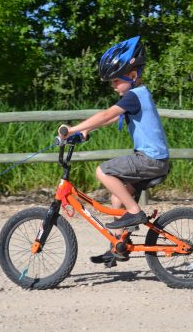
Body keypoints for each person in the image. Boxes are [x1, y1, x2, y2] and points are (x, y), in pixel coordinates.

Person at [59, 35, 169, 264]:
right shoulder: (137, 95)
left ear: (131, 75)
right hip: (154, 160)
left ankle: (135, 211)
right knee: (117, 198)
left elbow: (107, 114)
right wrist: (86, 131)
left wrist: (72, 130)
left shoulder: (134, 96)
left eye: (115, 81)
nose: (112, 86)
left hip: (149, 159)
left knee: (103, 172)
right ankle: (119, 246)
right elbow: (111, 119)